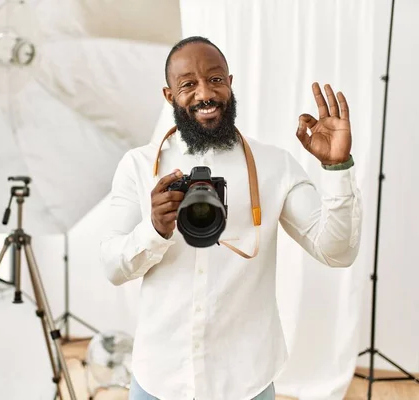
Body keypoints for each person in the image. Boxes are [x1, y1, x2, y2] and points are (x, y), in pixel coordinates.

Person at [99, 36, 362, 400]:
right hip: (160, 379)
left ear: (230, 83)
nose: (205, 93)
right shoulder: (140, 166)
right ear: (169, 95)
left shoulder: (274, 165)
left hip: (246, 381)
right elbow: (113, 267)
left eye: (216, 79)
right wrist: (155, 229)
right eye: (188, 84)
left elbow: (337, 252)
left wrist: (336, 167)